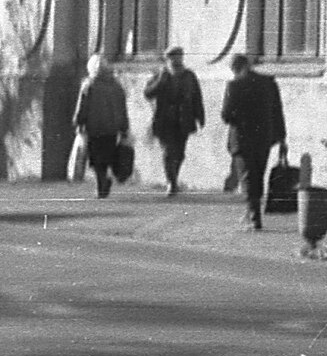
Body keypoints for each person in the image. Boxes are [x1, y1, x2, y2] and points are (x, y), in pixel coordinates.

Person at [220, 53, 287, 231]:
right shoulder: (269, 83)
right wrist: (281, 137)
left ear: (235, 68)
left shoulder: (234, 85)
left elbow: (226, 115)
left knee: (247, 176)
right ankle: (253, 211)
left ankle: (254, 216)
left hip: (242, 138)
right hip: (264, 137)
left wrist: (240, 118)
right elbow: (277, 111)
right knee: (258, 174)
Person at [143, 46, 206, 197]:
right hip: (164, 120)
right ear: (167, 59)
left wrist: (200, 116)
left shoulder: (189, 76)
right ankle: (171, 182)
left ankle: (174, 178)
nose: (175, 61)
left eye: (178, 57)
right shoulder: (160, 74)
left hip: (184, 119)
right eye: (172, 58)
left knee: (180, 153)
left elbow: (197, 96)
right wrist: (160, 82)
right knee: (168, 152)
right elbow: (148, 93)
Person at [75, 54, 132, 199]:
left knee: (95, 159)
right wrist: (124, 127)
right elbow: (122, 108)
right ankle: (103, 182)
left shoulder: (89, 85)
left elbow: (83, 106)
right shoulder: (116, 86)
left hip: (94, 128)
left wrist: (79, 122)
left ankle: (102, 183)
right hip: (112, 129)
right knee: (107, 155)